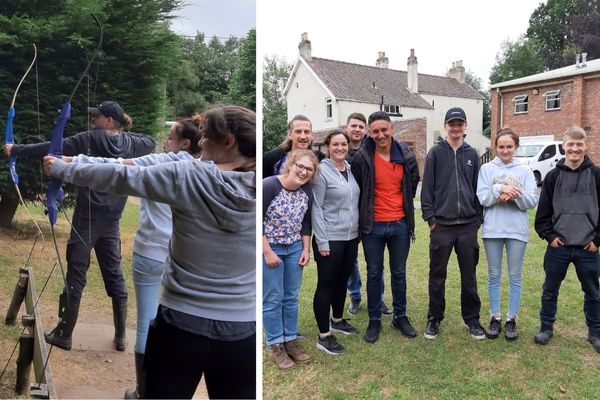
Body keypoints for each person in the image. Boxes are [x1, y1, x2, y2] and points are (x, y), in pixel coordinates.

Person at [44, 105, 257, 399]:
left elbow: (119, 177)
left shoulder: (188, 175)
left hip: (180, 326)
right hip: (243, 332)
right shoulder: (263, 188)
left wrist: (62, 168)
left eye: (206, 137)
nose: (202, 143)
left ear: (229, 142)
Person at [66, 116, 204, 398]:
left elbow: (117, 168)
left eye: (172, 137)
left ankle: (144, 391)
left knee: (146, 324)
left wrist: (68, 162)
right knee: (175, 322)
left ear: (184, 143)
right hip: (183, 257)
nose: (167, 141)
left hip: (151, 253)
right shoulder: (205, 169)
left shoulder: (162, 163)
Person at [4, 100, 155, 351]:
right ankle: (120, 337)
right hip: (112, 220)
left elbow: (52, 148)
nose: (93, 120)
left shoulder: (90, 137)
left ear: (108, 120)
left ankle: (64, 333)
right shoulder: (133, 143)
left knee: (76, 273)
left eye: (98, 117)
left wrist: (16, 149)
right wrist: (122, 135)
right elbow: (149, 141)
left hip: (87, 218)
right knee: (114, 273)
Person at [350, 111, 420, 344]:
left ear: (391, 128)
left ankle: (400, 316)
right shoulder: (362, 157)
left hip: (400, 224)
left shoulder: (406, 155)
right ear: (369, 132)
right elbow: (358, 188)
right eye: (375, 131)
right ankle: (374, 320)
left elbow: (413, 181)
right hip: (374, 226)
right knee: (374, 273)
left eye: (384, 130)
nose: (380, 135)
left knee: (399, 273)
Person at [533, 126, 600, 354]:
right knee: (550, 290)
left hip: (587, 248)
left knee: (592, 291)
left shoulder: (596, 175)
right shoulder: (553, 176)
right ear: (563, 146)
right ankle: (546, 327)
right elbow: (542, 216)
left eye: (579, 144)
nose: (574, 148)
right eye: (570, 144)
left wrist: (597, 240)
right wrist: (550, 237)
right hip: (559, 247)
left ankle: (594, 332)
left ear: (585, 146)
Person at [420, 106, 485, 340]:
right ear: (446, 126)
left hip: (468, 225)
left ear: (465, 126)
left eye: (460, 123)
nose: (456, 128)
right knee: (437, 275)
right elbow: (426, 190)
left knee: (469, 276)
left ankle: (472, 319)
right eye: (452, 124)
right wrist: (431, 220)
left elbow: (479, 188)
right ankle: (434, 318)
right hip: (442, 227)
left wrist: (477, 219)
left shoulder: (472, 154)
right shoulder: (435, 153)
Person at [476, 129, 538, 340]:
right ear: (495, 147)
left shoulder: (525, 171)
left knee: (514, 276)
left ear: (515, 147)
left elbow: (531, 202)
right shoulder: (486, 168)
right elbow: (483, 197)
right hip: (493, 229)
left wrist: (513, 194)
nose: (505, 150)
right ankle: (495, 316)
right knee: (494, 275)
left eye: (509, 146)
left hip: (516, 230)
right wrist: (499, 189)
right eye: (501, 146)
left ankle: (512, 319)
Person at [263, 149, 319, 369]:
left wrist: (306, 249)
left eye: (309, 169)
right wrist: (267, 252)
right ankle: (275, 345)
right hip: (271, 246)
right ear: (291, 164)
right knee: (272, 298)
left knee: (291, 297)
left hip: (295, 247)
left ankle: (290, 341)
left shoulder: (308, 191)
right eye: (301, 166)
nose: (304, 172)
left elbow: (306, 223)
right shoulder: (270, 186)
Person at [312, 130, 360, 355]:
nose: (340, 148)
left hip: (350, 237)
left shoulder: (349, 170)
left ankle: (338, 320)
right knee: (326, 284)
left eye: (344, 144)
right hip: (330, 237)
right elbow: (317, 207)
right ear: (327, 147)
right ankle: (324, 336)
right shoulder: (321, 172)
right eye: (335, 145)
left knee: (342, 281)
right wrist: (322, 242)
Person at [344, 112, 391, 317]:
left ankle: (378, 297)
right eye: (353, 125)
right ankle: (355, 295)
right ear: (347, 128)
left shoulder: (372, 150)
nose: (357, 129)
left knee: (375, 262)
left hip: (371, 214)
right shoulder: (339, 151)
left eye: (361, 127)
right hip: (349, 217)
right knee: (351, 260)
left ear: (366, 131)